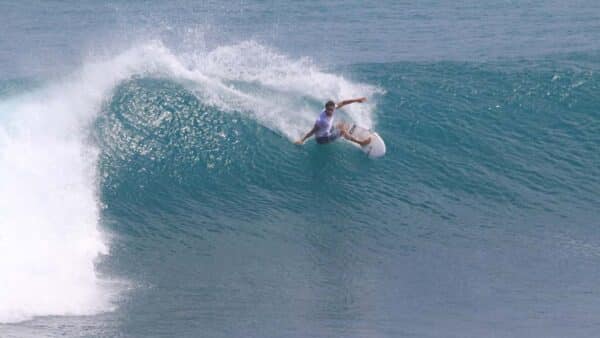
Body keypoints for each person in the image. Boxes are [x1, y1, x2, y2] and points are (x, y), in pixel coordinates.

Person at [295, 98, 371, 146]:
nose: (331, 112)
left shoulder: (333, 108)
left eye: (332, 109)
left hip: (327, 131)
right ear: (326, 109)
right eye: (329, 110)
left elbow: (344, 102)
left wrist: (357, 100)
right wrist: (302, 140)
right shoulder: (321, 121)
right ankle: (361, 143)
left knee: (342, 124)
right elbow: (312, 132)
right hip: (322, 139)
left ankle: (347, 134)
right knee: (342, 131)